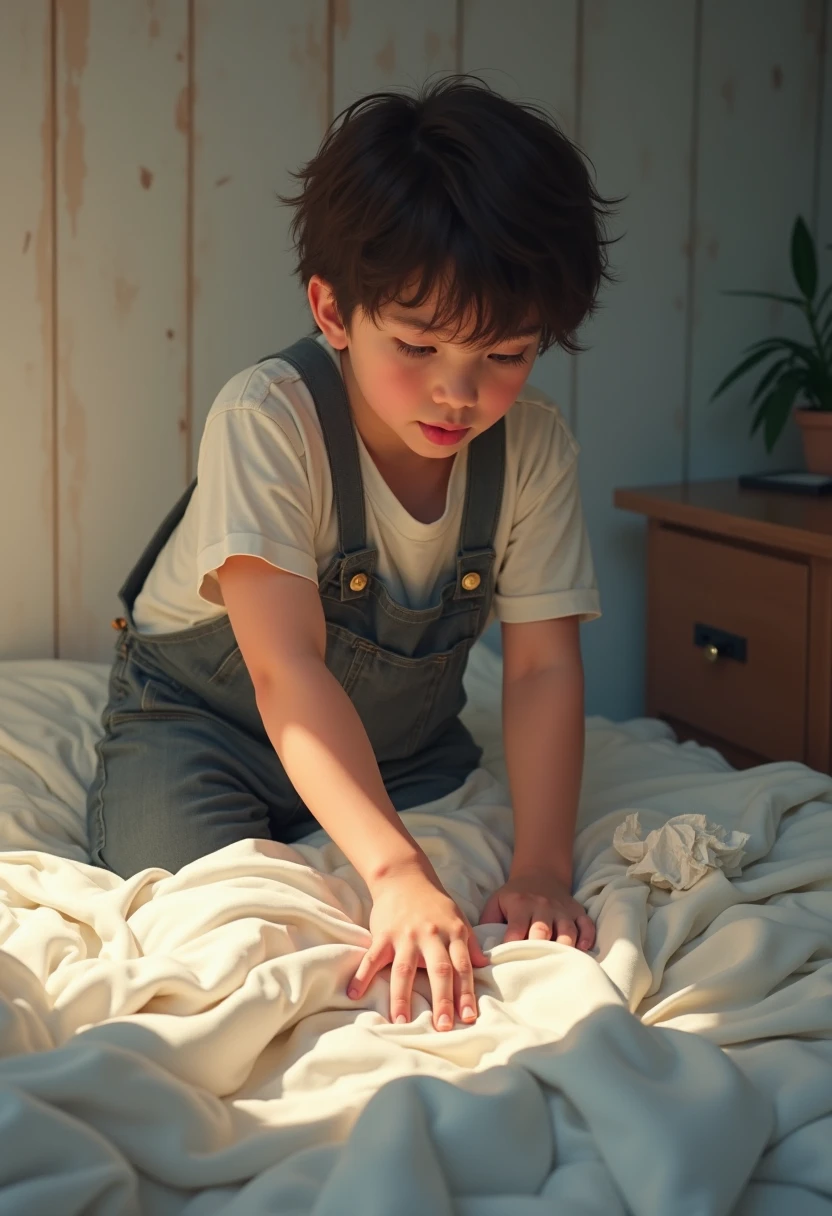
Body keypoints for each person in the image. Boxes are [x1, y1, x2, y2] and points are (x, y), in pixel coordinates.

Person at [87, 75, 617, 1035]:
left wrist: (540, 865)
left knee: (468, 867)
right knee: (209, 917)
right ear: (334, 312)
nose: (458, 392)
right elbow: (282, 668)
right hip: (206, 724)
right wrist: (395, 871)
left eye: (504, 355)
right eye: (418, 344)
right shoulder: (270, 419)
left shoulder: (532, 447)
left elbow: (540, 668)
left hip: (396, 744)